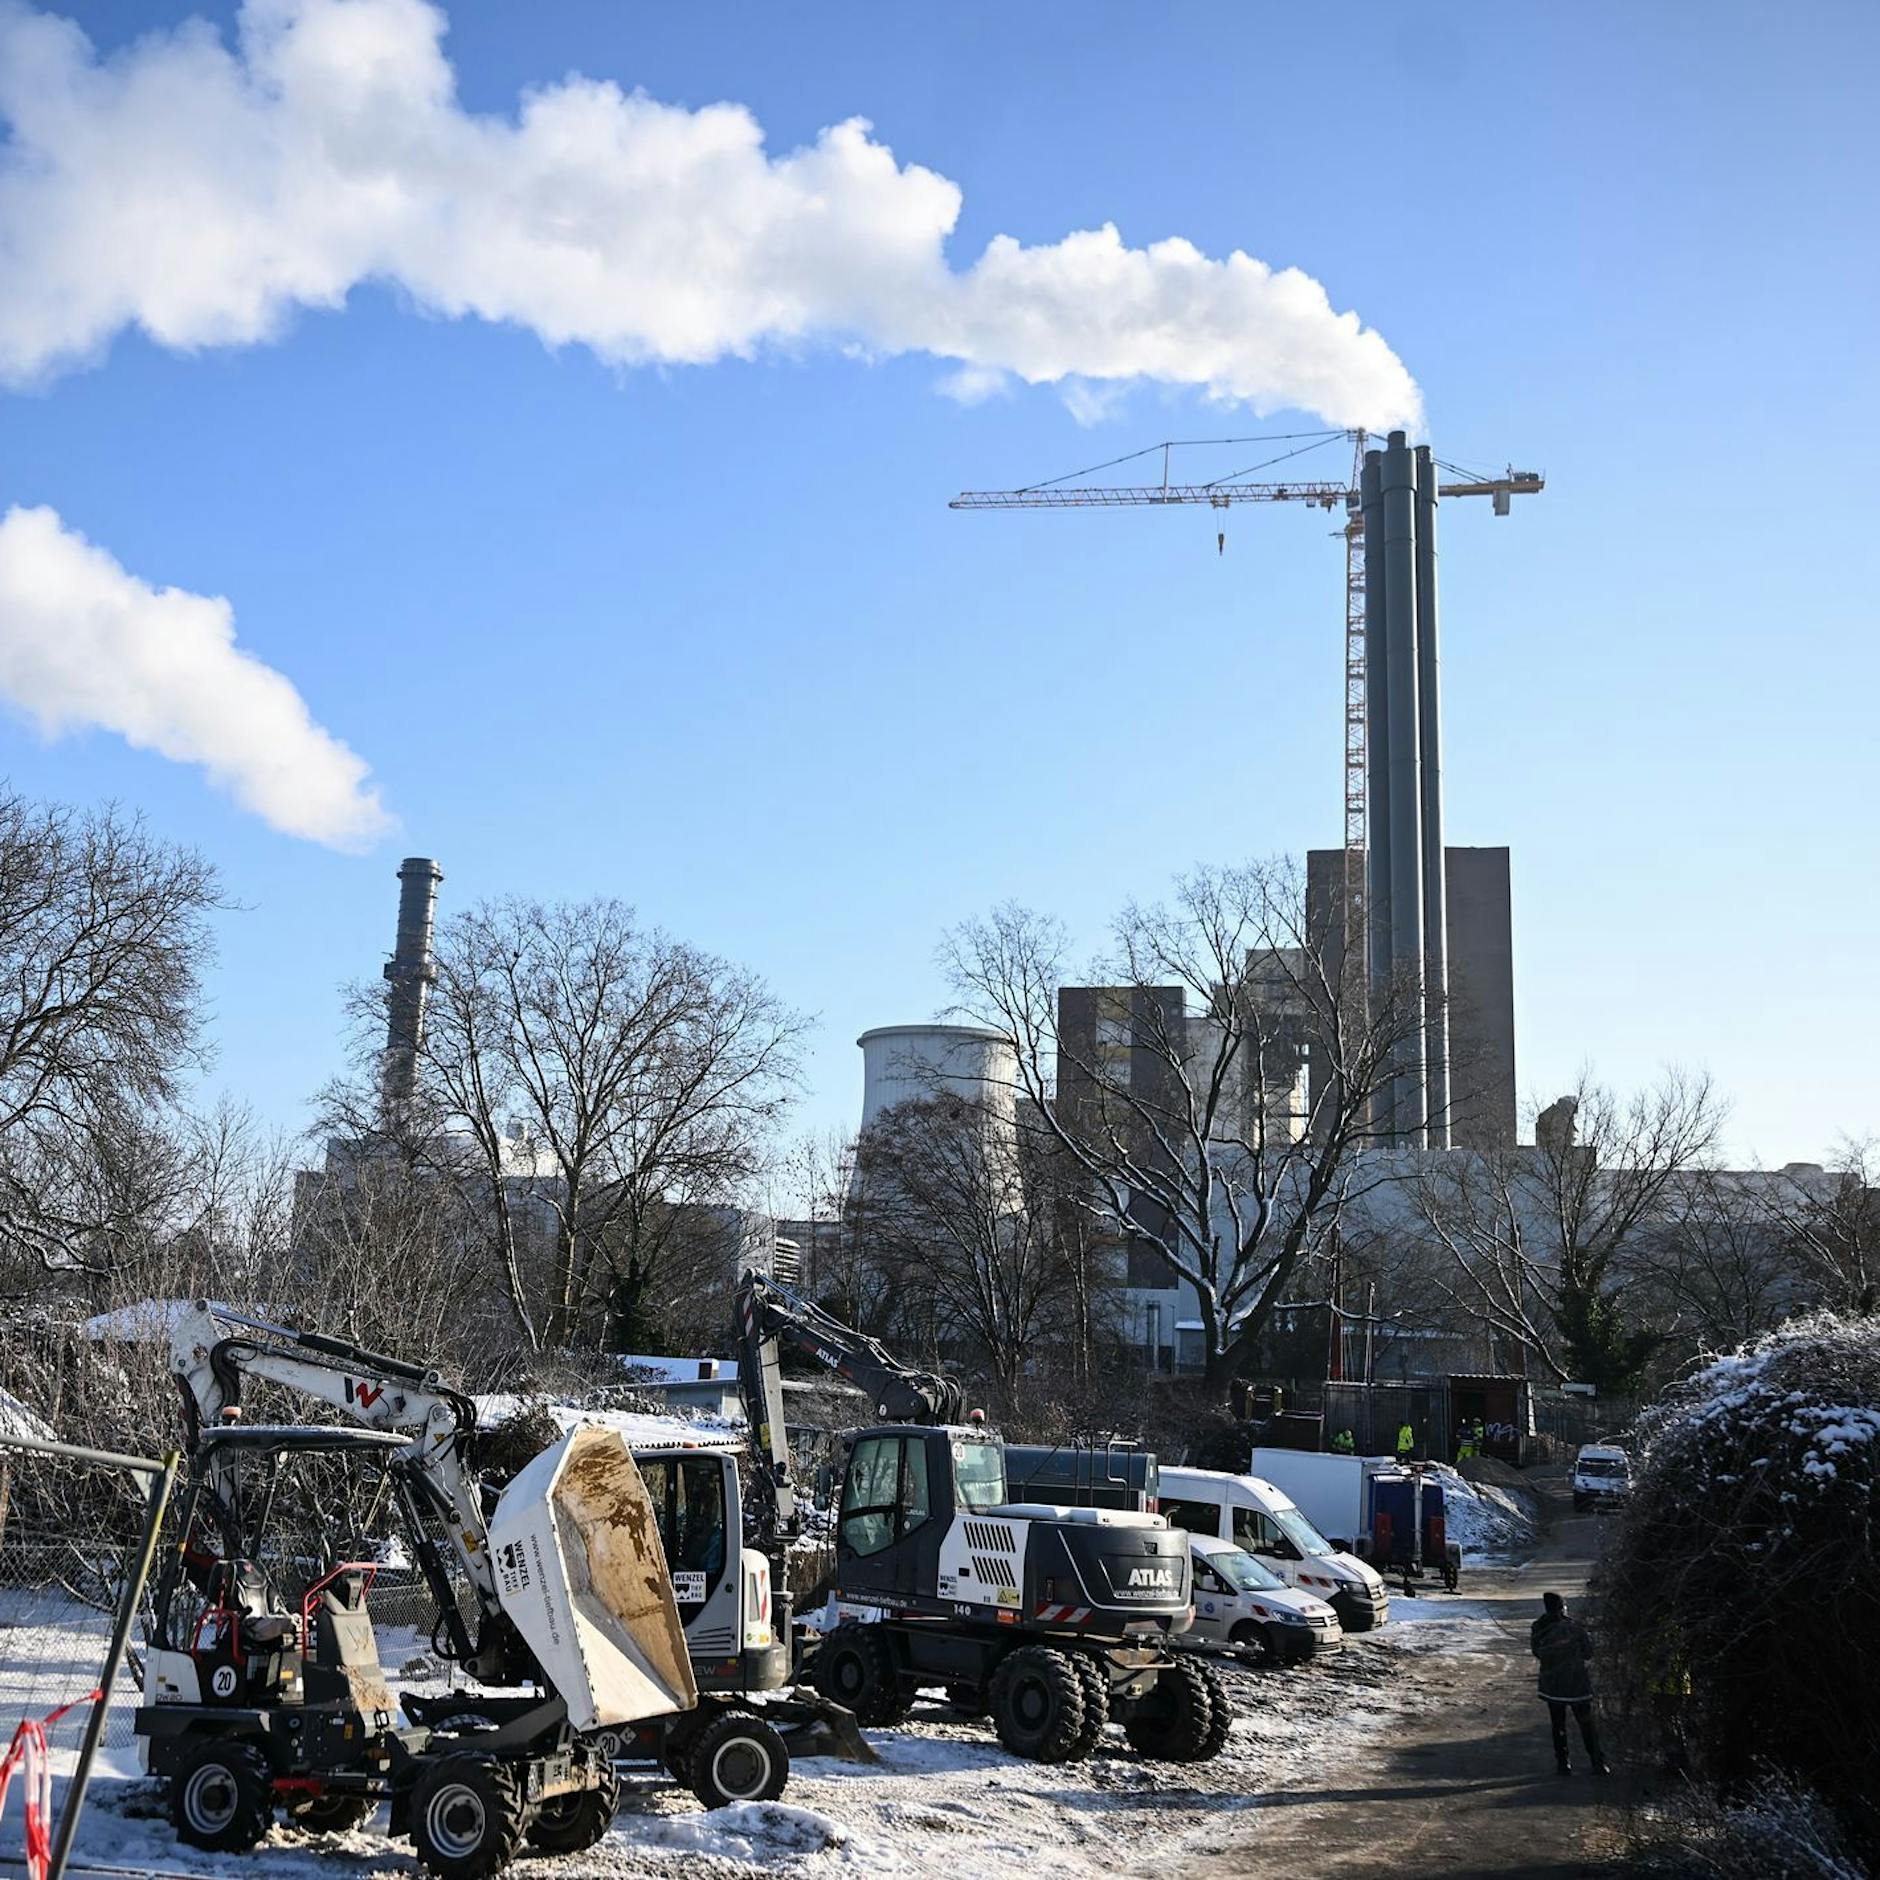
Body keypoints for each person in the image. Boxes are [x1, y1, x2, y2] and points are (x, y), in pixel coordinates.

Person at [1530, 1591, 1610, 1775]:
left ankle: (1563, 1763)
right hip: (1577, 1684)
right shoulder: (1575, 1628)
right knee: (1586, 1724)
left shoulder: (1539, 1628)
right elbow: (1588, 1652)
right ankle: (1597, 1761)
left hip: (1552, 1685)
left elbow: (1537, 1652)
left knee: (1558, 1725)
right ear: (1562, 1607)